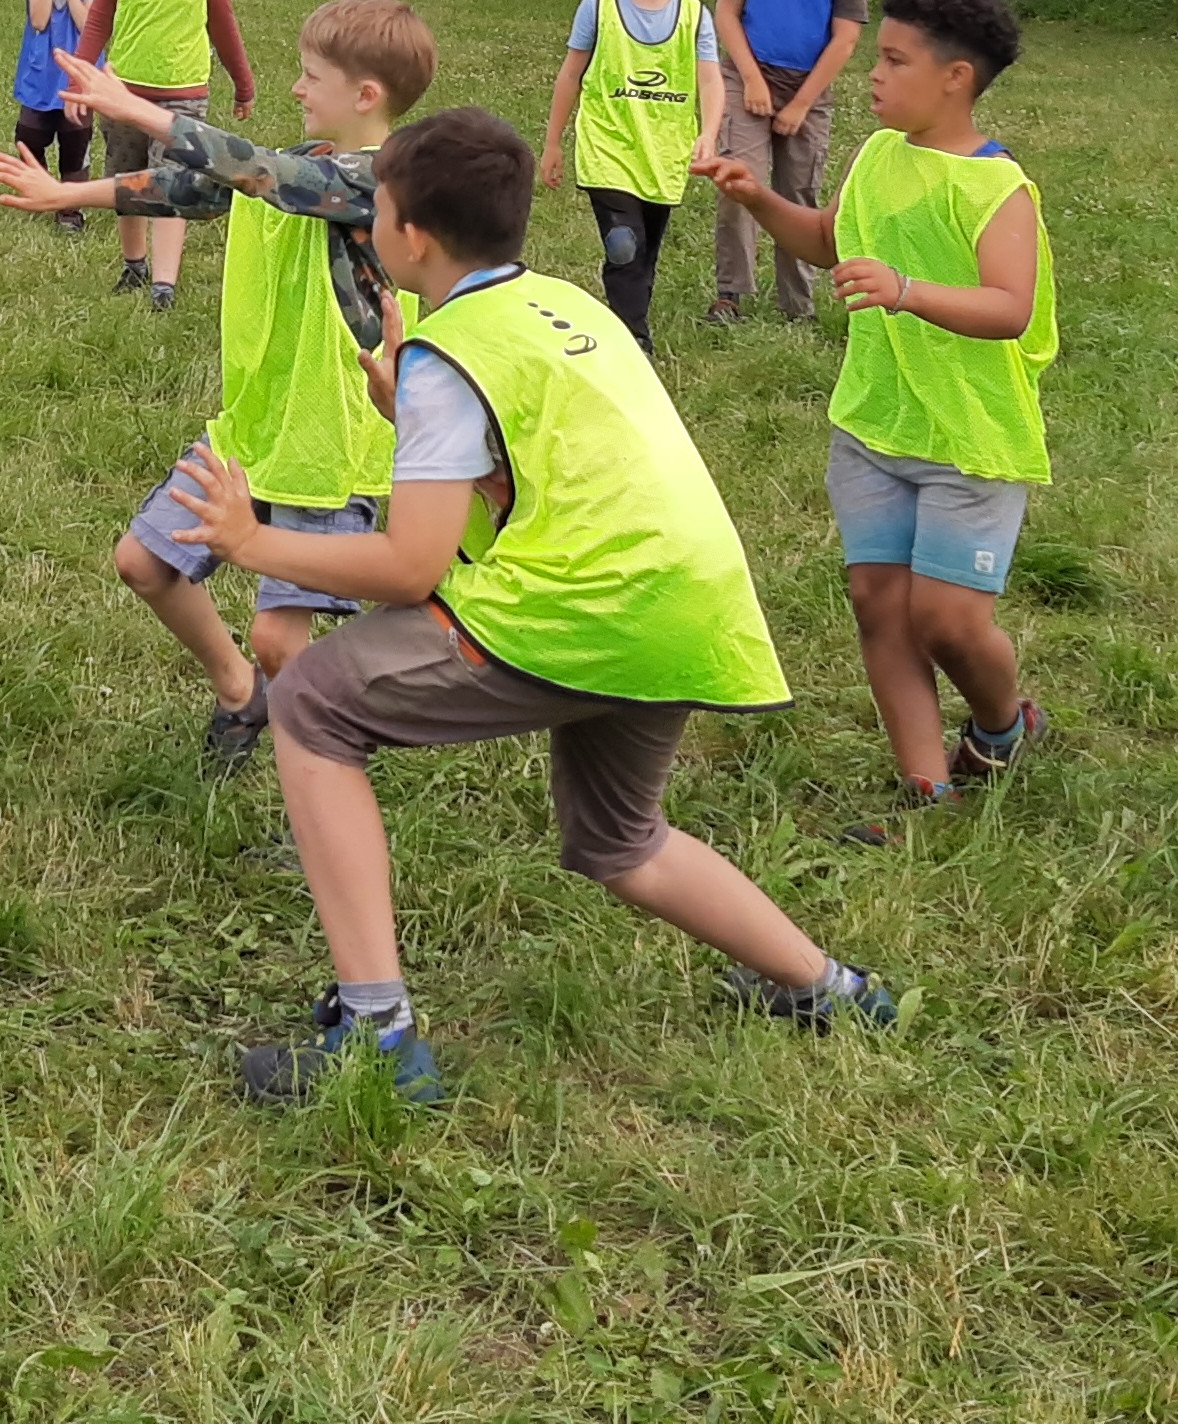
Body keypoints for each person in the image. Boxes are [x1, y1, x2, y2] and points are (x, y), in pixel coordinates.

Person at [170, 108, 896, 1103]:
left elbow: (411, 567)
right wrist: (407, 420)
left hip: (583, 608)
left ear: (409, 236)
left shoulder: (447, 351)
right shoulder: (563, 303)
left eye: (377, 210)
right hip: (685, 603)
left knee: (312, 702)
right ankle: (832, 988)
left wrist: (250, 543)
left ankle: (379, 1039)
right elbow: (554, 459)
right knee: (620, 839)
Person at [0, 0, 434, 772]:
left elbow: (267, 174)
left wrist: (139, 110)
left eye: (311, 75)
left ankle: (325, 797)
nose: (295, 87)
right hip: (254, 427)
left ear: (367, 94)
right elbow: (192, 189)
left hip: (324, 447)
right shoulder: (301, 163)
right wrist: (67, 195)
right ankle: (239, 691)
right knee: (143, 563)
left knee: (279, 641)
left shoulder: (385, 182)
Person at [703, 0, 1054, 832]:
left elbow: (1009, 306)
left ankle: (1004, 726)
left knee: (949, 621)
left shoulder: (997, 189)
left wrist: (906, 290)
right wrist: (759, 199)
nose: (874, 74)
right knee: (879, 605)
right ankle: (926, 789)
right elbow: (829, 242)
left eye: (895, 61)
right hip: (872, 423)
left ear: (955, 78)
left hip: (969, 436)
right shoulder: (877, 156)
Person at [537, 0, 726, 348]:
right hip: (607, 146)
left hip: (664, 152)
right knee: (624, 245)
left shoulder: (694, 15)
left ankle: (630, 317)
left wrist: (708, 133)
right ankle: (634, 341)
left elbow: (710, 79)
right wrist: (553, 142)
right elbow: (570, 75)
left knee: (645, 250)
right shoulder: (597, 6)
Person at [74, 0, 257, 310]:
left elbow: (224, 29)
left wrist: (243, 85)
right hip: (123, 94)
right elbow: (98, 21)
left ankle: (164, 285)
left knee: (174, 184)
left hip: (183, 96)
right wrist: (80, 79)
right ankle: (134, 264)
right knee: (128, 181)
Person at [709, 0, 870, 328]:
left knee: (799, 193)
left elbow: (845, 39)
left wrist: (801, 103)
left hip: (808, 89)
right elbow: (726, 12)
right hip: (748, 76)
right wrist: (751, 79)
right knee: (740, 184)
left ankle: (797, 305)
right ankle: (730, 294)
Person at [7, 0, 101, 227]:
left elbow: (87, 24)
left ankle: (70, 211)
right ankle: (42, 191)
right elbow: (39, 20)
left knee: (75, 144)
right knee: (29, 137)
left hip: (78, 78)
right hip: (40, 77)